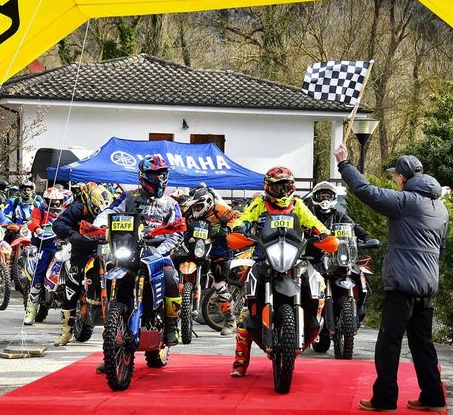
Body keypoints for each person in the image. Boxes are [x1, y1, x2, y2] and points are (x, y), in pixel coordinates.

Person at [333, 144, 448, 413]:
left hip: (403, 284)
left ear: (402, 178)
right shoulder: (440, 208)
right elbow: (441, 247)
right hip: (427, 285)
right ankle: (433, 397)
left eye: (396, 176)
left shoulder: (405, 202)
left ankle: (384, 399)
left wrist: (344, 164)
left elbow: (366, 191)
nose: (395, 180)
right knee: (422, 342)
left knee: (389, 341)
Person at [228, 166, 330, 376]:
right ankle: (240, 361)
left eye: (286, 187)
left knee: (318, 282)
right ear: (268, 188)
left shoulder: (298, 205)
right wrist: (238, 228)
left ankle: (315, 321)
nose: (283, 192)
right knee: (245, 308)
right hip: (263, 258)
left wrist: (324, 234)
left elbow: (315, 223)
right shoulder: (259, 203)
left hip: (293, 258)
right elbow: (244, 219)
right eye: (277, 188)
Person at [94, 155, 185, 346]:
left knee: (171, 278)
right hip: (129, 250)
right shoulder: (128, 197)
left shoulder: (171, 203)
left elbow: (178, 232)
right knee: (108, 273)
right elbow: (109, 211)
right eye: (153, 175)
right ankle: (112, 330)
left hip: (158, 252)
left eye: (161, 175)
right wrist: (101, 225)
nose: (158, 179)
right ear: (143, 176)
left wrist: (161, 250)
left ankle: (171, 324)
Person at [52, 184, 113, 346]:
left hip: (105, 252)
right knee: (71, 287)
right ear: (90, 203)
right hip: (81, 252)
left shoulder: (114, 210)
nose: (100, 213)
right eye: (97, 210)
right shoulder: (77, 209)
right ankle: (66, 331)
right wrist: (73, 235)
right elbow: (57, 224)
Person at [304, 181, 372, 324]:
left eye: (328, 196)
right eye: (321, 196)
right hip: (315, 258)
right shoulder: (309, 215)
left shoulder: (340, 215)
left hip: (337, 258)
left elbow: (354, 227)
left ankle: (359, 308)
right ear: (315, 197)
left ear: (333, 198)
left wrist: (366, 238)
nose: (325, 200)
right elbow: (300, 228)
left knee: (359, 273)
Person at [179, 185, 240, 335]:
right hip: (196, 247)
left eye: (199, 206)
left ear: (207, 202)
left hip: (218, 250)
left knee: (220, 285)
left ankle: (230, 319)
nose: (196, 209)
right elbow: (180, 223)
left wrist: (228, 228)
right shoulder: (189, 212)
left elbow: (238, 218)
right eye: (195, 206)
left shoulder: (219, 209)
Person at [23, 187, 72, 325]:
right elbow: (33, 221)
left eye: (58, 202)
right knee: (40, 272)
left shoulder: (65, 212)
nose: (55, 205)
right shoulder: (39, 210)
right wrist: (37, 229)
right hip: (45, 246)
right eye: (52, 202)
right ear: (46, 201)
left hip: (64, 245)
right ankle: (31, 311)